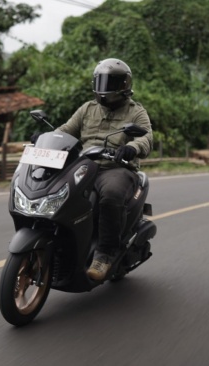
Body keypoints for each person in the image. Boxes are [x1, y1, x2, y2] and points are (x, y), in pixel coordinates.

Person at [52, 58, 153, 281]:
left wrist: (131, 148)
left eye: (111, 82)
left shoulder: (136, 112)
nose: (105, 88)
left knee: (111, 195)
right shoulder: (87, 108)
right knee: (58, 191)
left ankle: (105, 254)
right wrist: (48, 138)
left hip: (116, 168)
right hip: (84, 165)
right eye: (102, 81)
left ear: (124, 85)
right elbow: (66, 130)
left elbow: (146, 138)